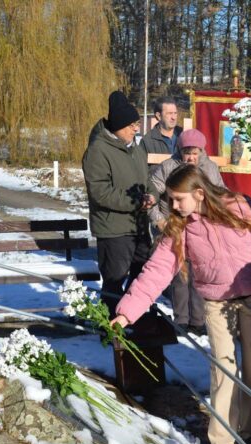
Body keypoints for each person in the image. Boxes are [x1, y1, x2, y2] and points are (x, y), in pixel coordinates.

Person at [110, 164, 251, 444]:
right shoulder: (180, 227)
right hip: (214, 302)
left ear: (199, 193)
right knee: (223, 366)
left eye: (178, 199)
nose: (173, 205)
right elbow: (157, 271)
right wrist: (127, 313)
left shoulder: (238, 206)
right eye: (170, 199)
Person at [83, 91, 157, 315]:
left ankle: (135, 319)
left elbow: (147, 180)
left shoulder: (136, 148)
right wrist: (135, 202)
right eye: (132, 124)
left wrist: (152, 195)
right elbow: (100, 192)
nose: (136, 129)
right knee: (114, 282)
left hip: (138, 226)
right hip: (113, 229)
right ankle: (110, 329)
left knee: (140, 277)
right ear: (119, 125)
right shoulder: (97, 150)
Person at [149, 129, 226, 335]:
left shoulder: (209, 168)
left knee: (200, 274)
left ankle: (198, 320)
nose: (190, 157)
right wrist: (159, 221)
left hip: (201, 228)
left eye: (195, 152)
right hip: (175, 226)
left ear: (201, 151)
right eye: (186, 152)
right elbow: (152, 192)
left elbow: (220, 193)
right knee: (181, 276)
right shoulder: (168, 167)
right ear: (179, 151)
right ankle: (181, 319)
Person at [140, 96, 182, 166]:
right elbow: (141, 170)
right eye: (169, 113)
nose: (174, 117)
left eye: (175, 113)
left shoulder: (184, 136)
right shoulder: (147, 141)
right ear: (158, 116)